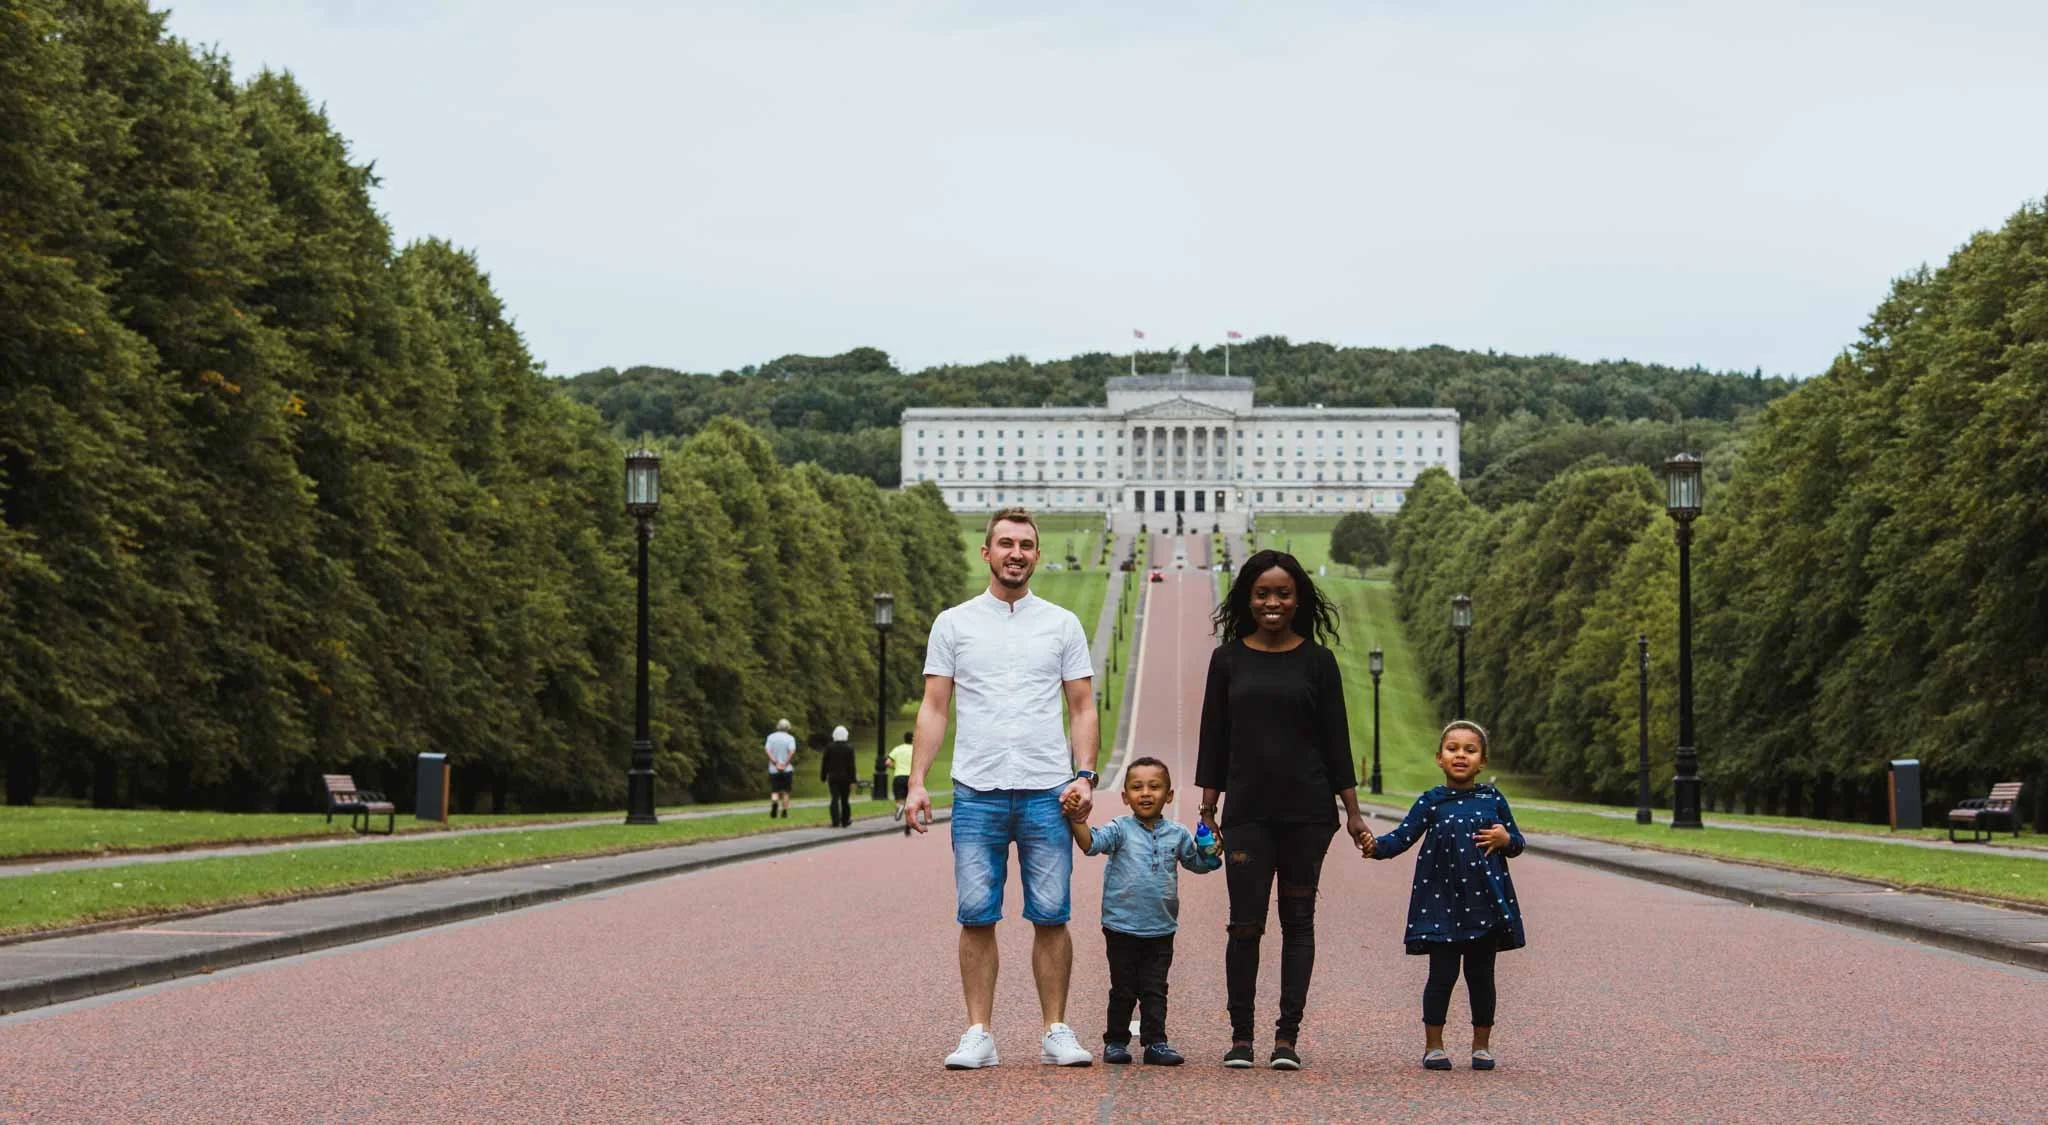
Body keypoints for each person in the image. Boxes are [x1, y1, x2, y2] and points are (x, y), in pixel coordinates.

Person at [901, 507, 1100, 1071]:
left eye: (1027, 545)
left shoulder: (1062, 624)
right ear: (986, 552)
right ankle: (978, 1033)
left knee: (1052, 915)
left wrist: (1084, 776)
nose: (1017, 553)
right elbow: (934, 707)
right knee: (975, 915)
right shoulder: (953, 623)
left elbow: (1082, 706)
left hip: (1047, 790)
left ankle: (1055, 1029)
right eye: (1006, 543)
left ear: (1038, 555)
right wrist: (917, 782)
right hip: (977, 789)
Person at [1194, 549, 1369, 1070]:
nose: (1273, 602)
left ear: (1299, 599)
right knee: (1244, 925)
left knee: (1299, 923)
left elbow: (1337, 741)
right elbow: (1213, 738)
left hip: (1308, 813)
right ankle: (1242, 1037)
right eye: (1263, 593)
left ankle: (1286, 1038)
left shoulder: (1318, 661)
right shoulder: (1227, 659)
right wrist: (1208, 807)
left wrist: (1353, 811)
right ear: (1248, 598)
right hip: (1247, 812)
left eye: (1283, 593)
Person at [1362, 720, 1526, 1072]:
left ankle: (1481, 1046)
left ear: (1482, 761)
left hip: (1485, 903)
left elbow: (1517, 842)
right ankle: (1433, 1046)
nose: (1461, 755)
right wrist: (1375, 847)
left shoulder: (1493, 799)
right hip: (1440, 904)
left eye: (1470, 750)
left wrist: (1505, 840)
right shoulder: (1432, 801)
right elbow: (1402, 837)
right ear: (1439, 758)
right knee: (1442, 975)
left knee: (1481, 977)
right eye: (1453, 749)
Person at [1062, 756, 1220, 1066]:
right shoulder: (1120, 829)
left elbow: (1199, 864)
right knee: (1123, 987)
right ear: (1125, 796)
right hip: (1121, 926)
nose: (1145, 793)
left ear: (1169, 795)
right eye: (1137, 787)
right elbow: (1090, 844)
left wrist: (1210, 852)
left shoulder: (1177, 834)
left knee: (1155, 989)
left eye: (1154, 787)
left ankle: (1156, 1043)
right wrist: (1075, 820)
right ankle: (1116, 1041)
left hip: (1161, 927)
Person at [822, 725, 858, 827]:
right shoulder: (849, 748)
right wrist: (853, 780)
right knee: (845, 800)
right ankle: (845, 820)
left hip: (833, 777)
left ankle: (835, 820)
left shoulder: (829, 747)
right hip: (846, 778)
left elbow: (825, 763)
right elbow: (851, 766)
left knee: (834, 798)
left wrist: (823, 776)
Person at [764, 719, 797, 818]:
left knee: (775, 790)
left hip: (774, 769)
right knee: (786, 792)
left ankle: (774, 804)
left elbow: (767, 750)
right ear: (788, 728)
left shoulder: (771, 737)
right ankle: (784, 812)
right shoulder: (790, 738)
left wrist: (774, 762)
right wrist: (785, 764)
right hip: (787, 769)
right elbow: (792, 751)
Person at [888, 731, 914, 835]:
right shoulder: (915, 750)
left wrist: (895, 767)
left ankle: (899, 807)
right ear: (912, 739)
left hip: (899, 776)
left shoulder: (898, 749)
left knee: (899, 799)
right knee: (909, 803)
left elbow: (888, 762)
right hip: (911, 777)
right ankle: (907, 827)